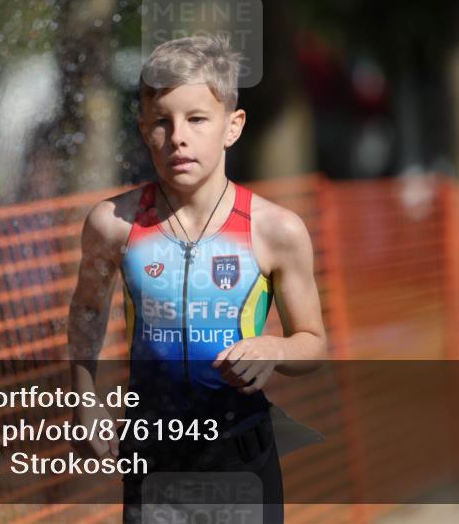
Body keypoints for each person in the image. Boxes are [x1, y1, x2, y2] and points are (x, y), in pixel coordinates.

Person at [68, 35, 328, 524]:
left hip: (242, 458)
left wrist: (274, 349)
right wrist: (84, 400)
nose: (178, 136)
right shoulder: (114, 224)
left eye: (196, 119)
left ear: (233, 127)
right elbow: (87, 308)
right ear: (144, 130)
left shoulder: (276, 230)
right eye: (161, 122)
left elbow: (313, 343)